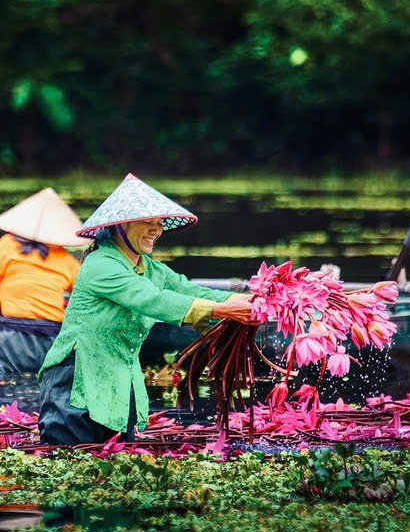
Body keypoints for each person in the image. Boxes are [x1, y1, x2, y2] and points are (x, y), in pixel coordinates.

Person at [37, 174, 256, 446]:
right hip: (76, 380)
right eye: (147, 222)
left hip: (119, 382)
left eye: (159, 223)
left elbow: (190, 291)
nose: (155, 229)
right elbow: (152, 300)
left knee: (115, 473)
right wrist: (222, 311)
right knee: (72, 466)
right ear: (121, 225)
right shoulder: (100, 264)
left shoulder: (151, 268)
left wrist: (254, 300)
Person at [0, 188, 84, 378]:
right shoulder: (67, 260)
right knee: (44, 399)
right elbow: (85, 300)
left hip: (7, 339)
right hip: (51, 341)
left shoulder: (7, 245)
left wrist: (4, 297)